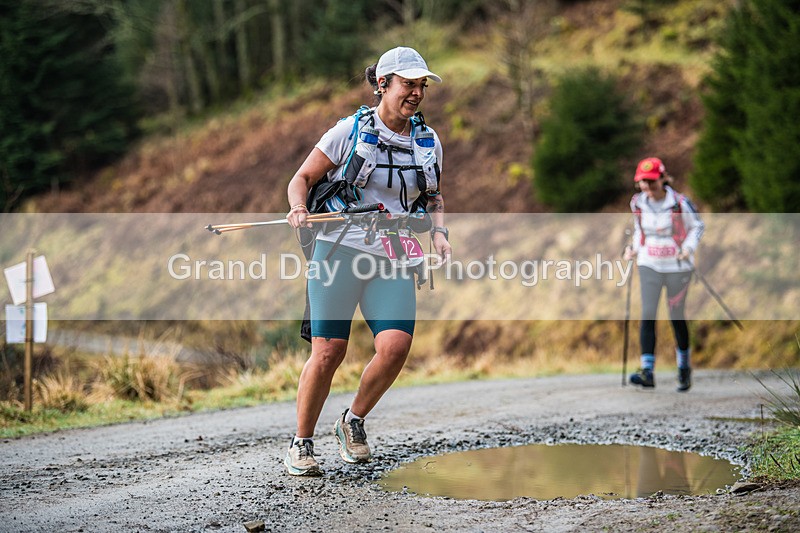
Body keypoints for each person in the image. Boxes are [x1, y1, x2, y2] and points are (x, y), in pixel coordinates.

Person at [283, 46, 452, 476]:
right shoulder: (349, 131)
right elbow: (301, 179)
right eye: (408, 84)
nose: (416, 93)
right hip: (339, 249)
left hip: (393, 255)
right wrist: (299, 208)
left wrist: (439, 232)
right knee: (328, 351)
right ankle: (301, 444)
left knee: (395, 347)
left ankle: (352, 421)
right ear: (383, 84)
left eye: (421, 85)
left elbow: (433, 197)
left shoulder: (428, 142)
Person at [623, 157, 704, 392]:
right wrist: (633, 249)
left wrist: (688, 249)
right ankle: (647, 371)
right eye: (642, 182)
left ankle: (683, 367)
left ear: (663, 178)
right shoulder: (638, 203)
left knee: (676, 316)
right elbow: (640, 230)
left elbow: (697, 226)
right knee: (648, 313)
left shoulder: (679, 203)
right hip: (649, 264)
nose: (647, 187)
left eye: (651, 181)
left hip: (678, 267)